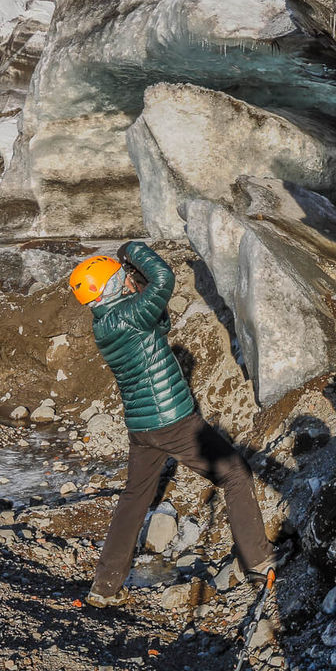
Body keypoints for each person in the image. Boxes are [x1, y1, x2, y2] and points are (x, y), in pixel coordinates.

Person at [68, 242, 284, 608]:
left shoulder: (106, 323)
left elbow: (161, 324)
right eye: (121, 276)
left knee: (135, 499)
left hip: (142, 427)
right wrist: (131, 249)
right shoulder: (131, 315)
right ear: (111, 286)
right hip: (172, 421)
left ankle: (104, 587)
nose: (126, 278)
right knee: (234, 475)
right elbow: (164, 278)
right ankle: (260, 561)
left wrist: (131, 282)